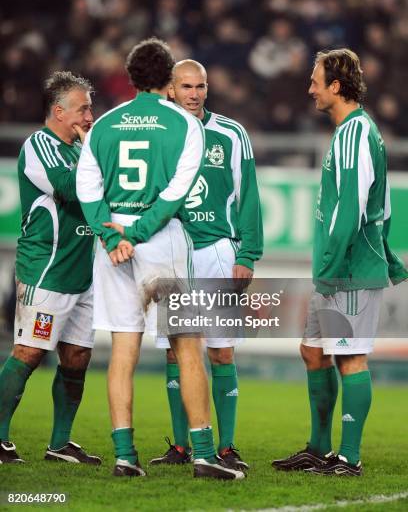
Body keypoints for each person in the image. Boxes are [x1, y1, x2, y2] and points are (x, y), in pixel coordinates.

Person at [76, 38, 245, 480]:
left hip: (112, 240)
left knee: (123, 350)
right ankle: (205, 454)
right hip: (160, 241)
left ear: (131, 77)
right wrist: (138, 232)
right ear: (169, 80)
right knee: (187, 346)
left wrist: (112, 236)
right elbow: (176, 193)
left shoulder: (105, 125)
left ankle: (124, 456)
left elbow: (87, 189)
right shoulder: (185, 125)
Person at [272, 48, 408, 476]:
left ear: (336, 85)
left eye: (317, 80)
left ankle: (348, 457)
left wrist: (332, 265)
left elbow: (350, 208)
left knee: (351, 358)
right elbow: (381, 206)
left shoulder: (354, 134)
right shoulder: (353, 132)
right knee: (313, 351)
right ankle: (318, 447)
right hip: (339, 265)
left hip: (346, 269)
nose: (310, 87)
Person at [150, 60, 263, 470]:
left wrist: (248, 254)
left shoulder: (231, 134)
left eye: (200, 86)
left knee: (220, 352)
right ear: (170, 90)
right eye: (186, 86)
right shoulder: (159, 134)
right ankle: (182, 446)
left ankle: (227, 446)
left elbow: (248, 195)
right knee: (174, 353)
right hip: (172, 252)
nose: (195, 94)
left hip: (217, 250)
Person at [0, 71, 100, 465]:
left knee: (77, 356)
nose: (90, 115)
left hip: (83, 271)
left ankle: (60, 444)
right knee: (29, 351)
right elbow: (73, 189)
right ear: (59, 111)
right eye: (83, 108)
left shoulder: (79, 149)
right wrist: (95, 158)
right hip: (47, 269)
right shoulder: (39, 146)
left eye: (91, 107)